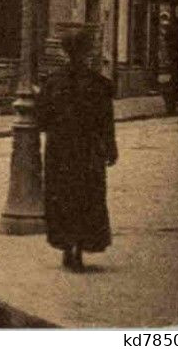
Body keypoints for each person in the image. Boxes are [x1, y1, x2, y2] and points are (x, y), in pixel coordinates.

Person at [38, 27, 118, 272]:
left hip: (60, 151)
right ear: (87, 52)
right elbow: (107, 121)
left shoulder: (52, 83)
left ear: (65, 52)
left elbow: (42, 120)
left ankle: (67, 247)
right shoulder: (99, 84)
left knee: (61, 197)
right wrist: (110, 148)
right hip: (88, 151)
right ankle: (80, 250)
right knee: (87, 197)